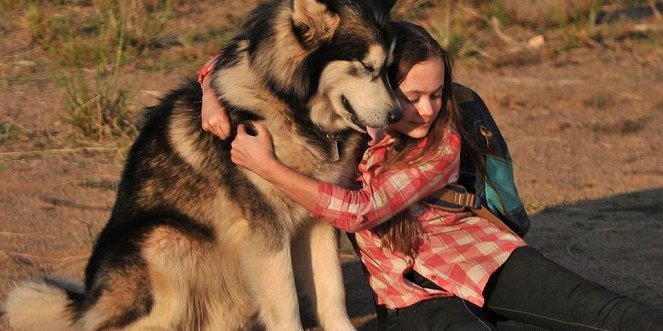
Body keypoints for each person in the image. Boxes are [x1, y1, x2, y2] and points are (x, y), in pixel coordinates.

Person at [200, 21, 663, 330]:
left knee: (602, 309)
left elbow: (360, 212)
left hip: (483, 256)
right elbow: (264, 66)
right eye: (412, 95)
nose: (427, 109)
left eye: (437, 94)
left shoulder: (442, 142)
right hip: (411, 295)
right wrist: (209, 90)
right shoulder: (349, 122)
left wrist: (267, 167)